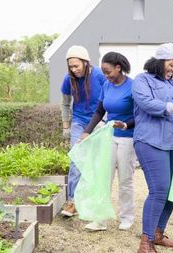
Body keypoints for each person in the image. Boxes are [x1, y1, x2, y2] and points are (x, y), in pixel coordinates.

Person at [132, 43, 173, 253]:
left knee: (172, 190)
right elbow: (147, 103)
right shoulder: (143, 80)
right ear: (160, 61)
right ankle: (146, 242)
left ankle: (158, 233)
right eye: (171, 65)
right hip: (152, 141)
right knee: (159, 189)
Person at [79, 52, 137, 231]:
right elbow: (99, 111)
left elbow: (140, 114)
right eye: (104, 73)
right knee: (103, 177)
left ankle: (127, 217)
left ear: (118, 68)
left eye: (108, 72)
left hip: (128, 137)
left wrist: (126, 124)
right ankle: (100, 219)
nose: (106, 76)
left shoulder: (133, 86)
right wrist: (87, 132)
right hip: (109, 137)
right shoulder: (106, 85)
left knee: (125, 179)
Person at [60, 45, 107, 217]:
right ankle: (72, 201)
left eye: (76, 66)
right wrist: (66, 125)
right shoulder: (68, 79)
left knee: (96, 162)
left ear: (86, 63)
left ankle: (92, 201)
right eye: (71, 66)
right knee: (76, 160)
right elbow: (65, 103)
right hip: (79, 122)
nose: (74, 69)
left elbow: (108, 98)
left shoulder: (99, 76)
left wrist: (106, 120)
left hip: (98, 122)